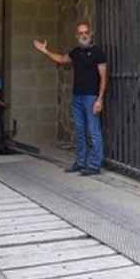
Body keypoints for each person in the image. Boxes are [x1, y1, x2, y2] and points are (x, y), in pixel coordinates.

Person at [33, 20, 108, 175]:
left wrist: (100, 99)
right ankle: (80, 163)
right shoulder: (76, 53)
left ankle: (95, 165)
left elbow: (103, 77)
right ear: (77, 36)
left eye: (86, 32)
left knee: (93, 131)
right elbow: (61, 59)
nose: (84, 35)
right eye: (81, 33)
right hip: (77, 96)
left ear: (91, 33)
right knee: (80, 130)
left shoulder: (98, 53)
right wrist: (45, 51)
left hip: (91, 97)